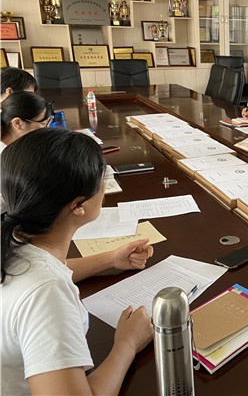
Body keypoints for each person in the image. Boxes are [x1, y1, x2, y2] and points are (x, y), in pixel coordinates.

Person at [1, 128, 153, 395]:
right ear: (78, 206)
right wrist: (127, 343)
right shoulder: (47, 294)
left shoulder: (13, 237)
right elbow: (42, 285)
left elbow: (41, 271)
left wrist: (111, 259)